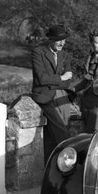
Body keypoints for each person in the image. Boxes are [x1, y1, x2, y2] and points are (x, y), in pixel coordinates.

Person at [31, 24, 75, 163]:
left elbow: (68, 82)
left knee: (54, 133)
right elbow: (41, 79)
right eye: (58, 40)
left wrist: (56, 81)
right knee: (61, 131)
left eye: (64, 39)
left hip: (62, 95)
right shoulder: (38, 52)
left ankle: (54, 164)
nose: (62, 43)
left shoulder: (65, 55)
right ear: (50, 39)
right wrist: (61, 78)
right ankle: (71, 159)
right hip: (44, 96)